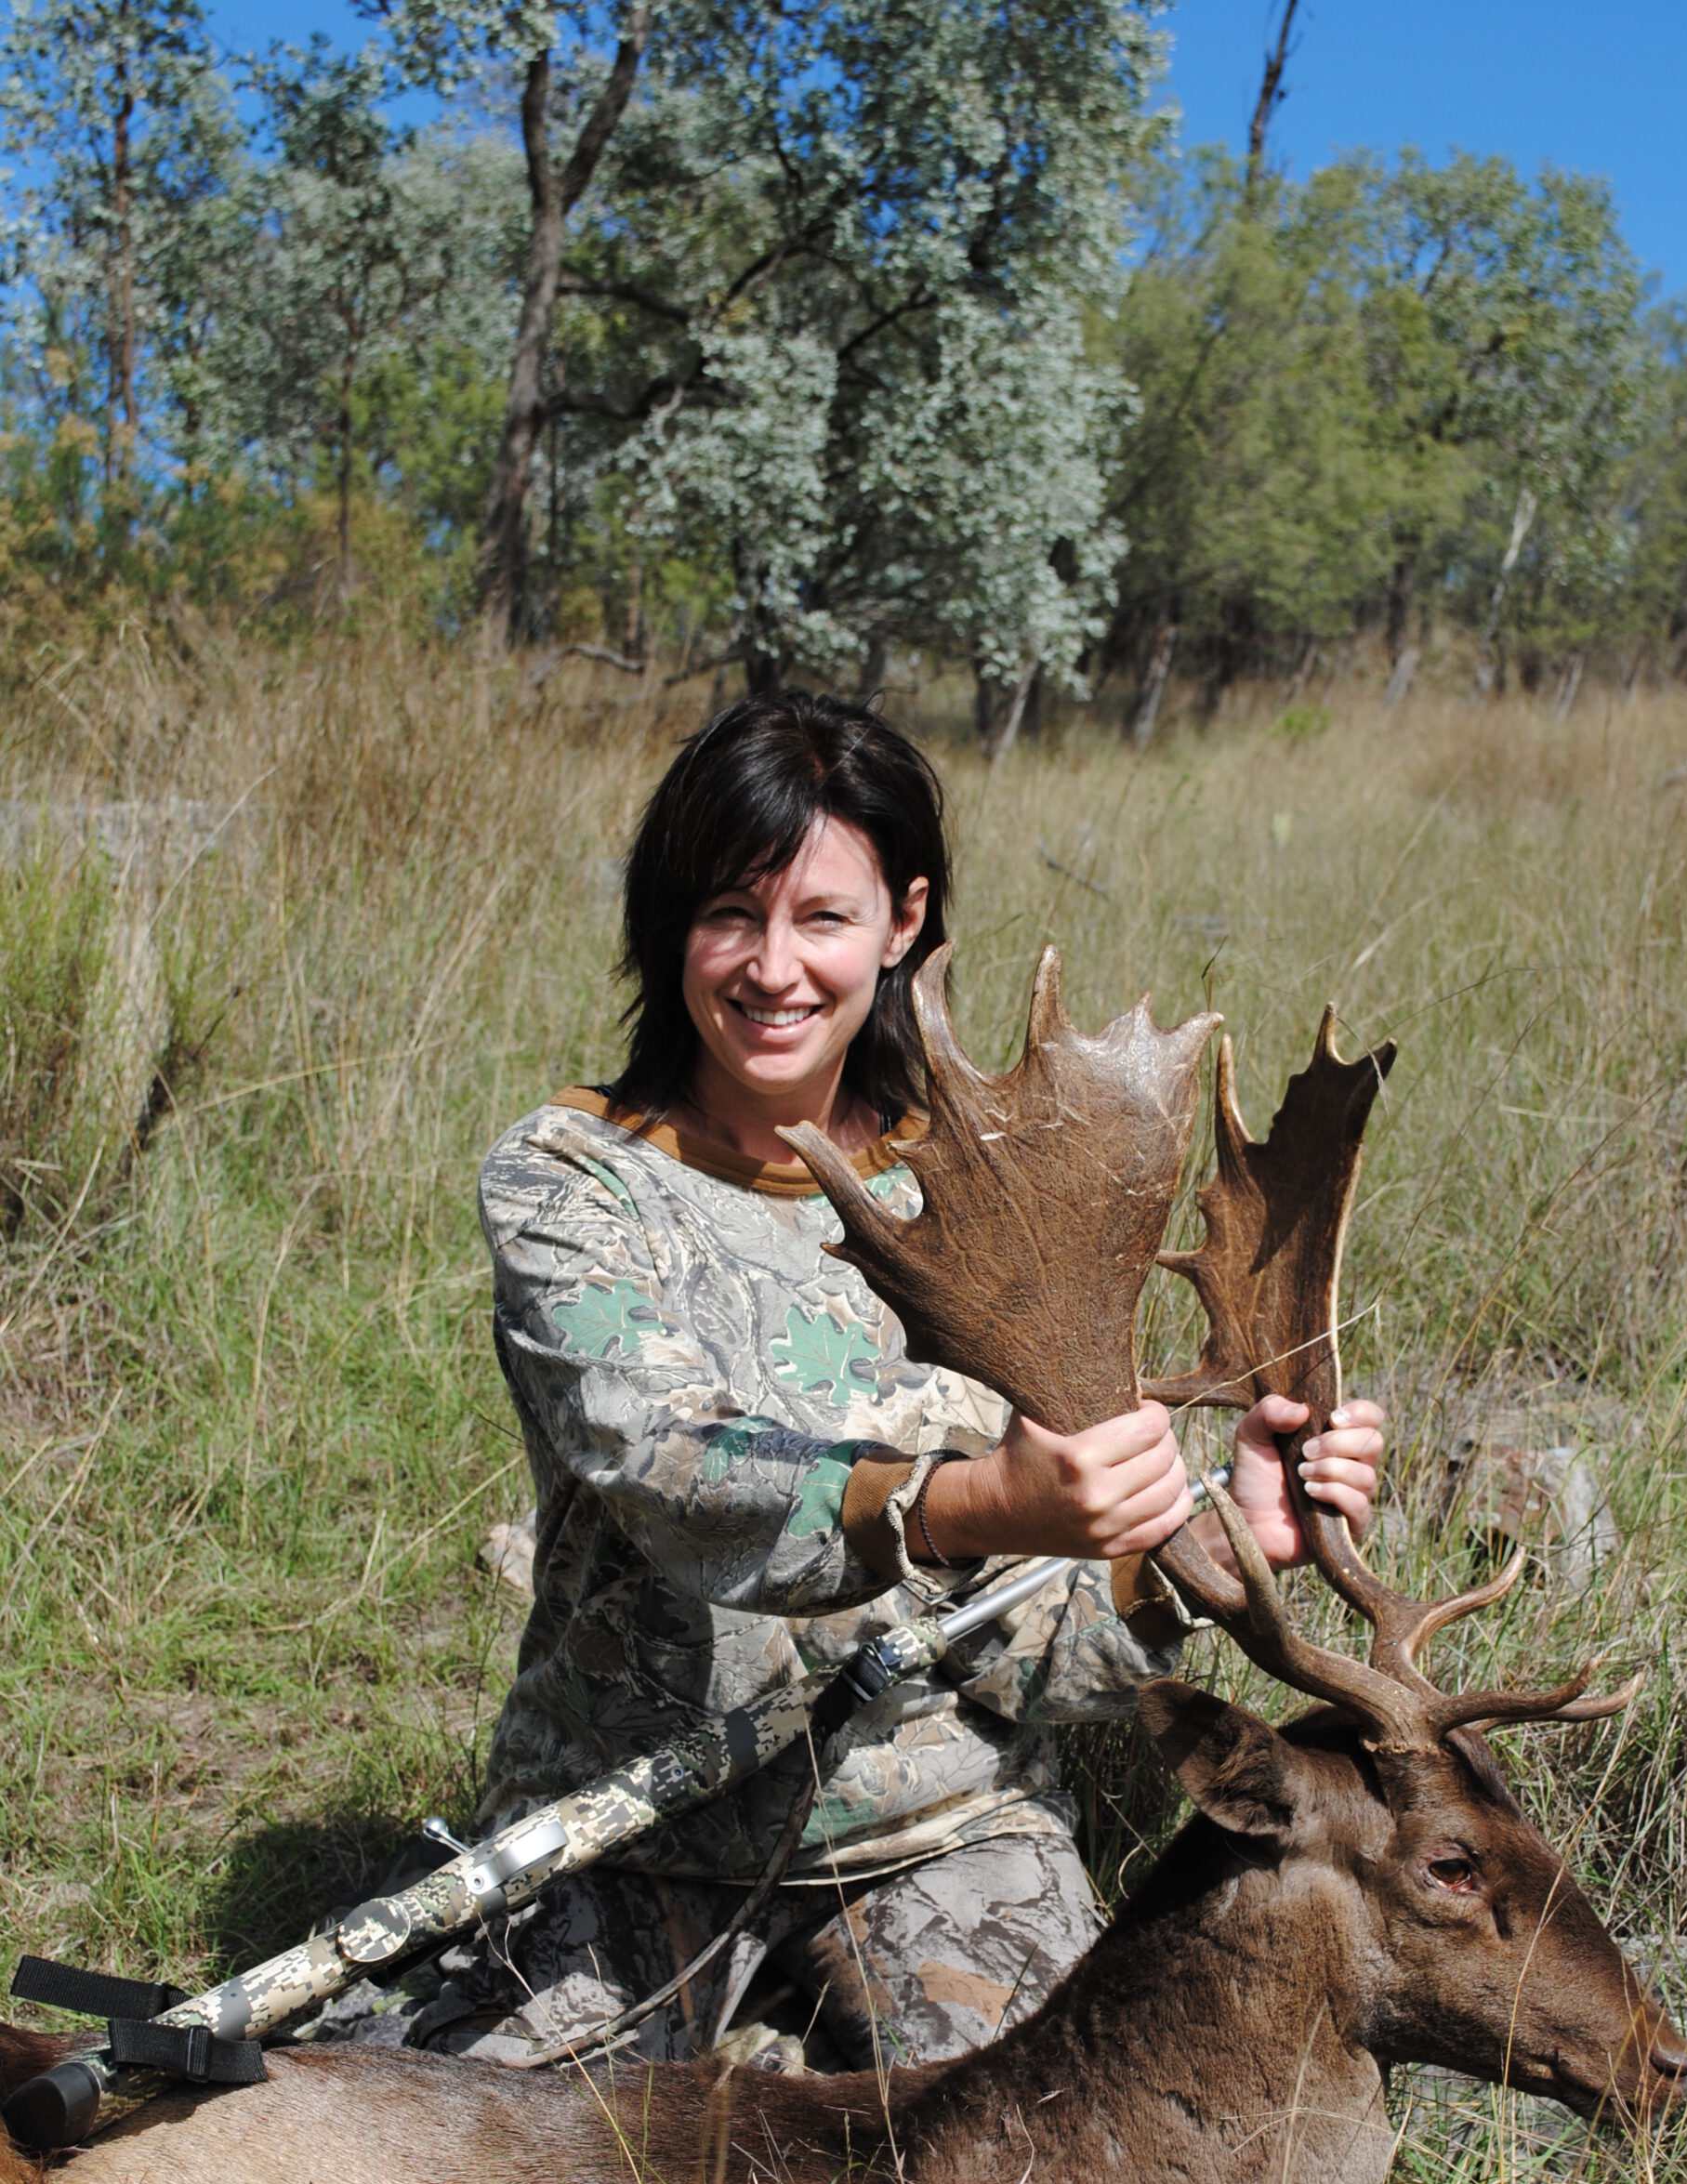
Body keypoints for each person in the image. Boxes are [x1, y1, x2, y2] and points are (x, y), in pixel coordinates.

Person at [341, 691, 1382, 2072]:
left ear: (904, 923)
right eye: (729, 912)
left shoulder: (996, 1214)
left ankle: (781, 2068)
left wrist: (1208, 1551)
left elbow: (1033, 1648)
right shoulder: (573, 1178)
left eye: (822, 918)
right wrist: (964, 1503)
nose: (773, 967)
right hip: (633, 1827)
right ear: (670, 927)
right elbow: (665, 1471)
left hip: (941, 1829)